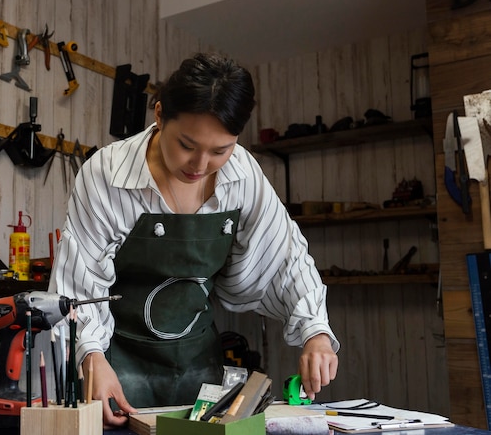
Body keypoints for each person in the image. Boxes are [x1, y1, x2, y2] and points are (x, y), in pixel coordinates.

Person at [48, 52, 339, 427]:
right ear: (159, 115)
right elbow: (79, 281)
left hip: (198, 367)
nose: (200, 165)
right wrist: (90, 356)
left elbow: (285, 256)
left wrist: (315, 332)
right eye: (187, 144)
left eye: (220, 150)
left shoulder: (242, 175)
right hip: (114, 363)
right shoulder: (106, 175)